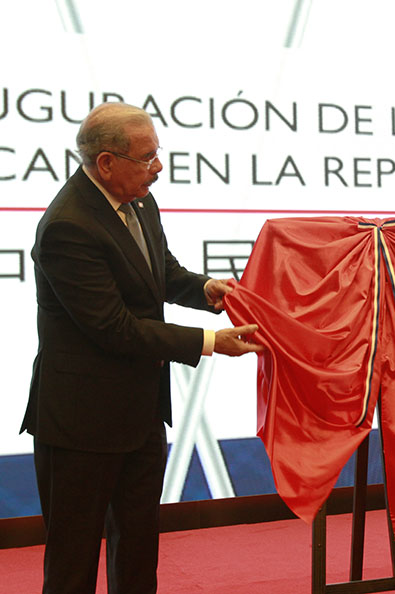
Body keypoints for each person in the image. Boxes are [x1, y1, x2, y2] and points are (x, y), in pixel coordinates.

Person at [21, 102, 264, 594]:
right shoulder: (68, 226)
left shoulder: (138, 200)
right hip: (80, 425)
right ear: (106, 163)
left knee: (137, 553)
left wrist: (204, 291)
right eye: (148, 156)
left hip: (139, 412)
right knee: (73, 563)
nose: (159, 166)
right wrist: (209, 342)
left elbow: (161, 274)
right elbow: (115, 328)